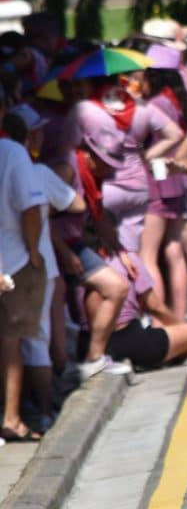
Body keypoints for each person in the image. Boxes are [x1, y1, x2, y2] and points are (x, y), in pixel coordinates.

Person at [5, 107, 81, 429]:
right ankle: (43, 412)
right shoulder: (23, 162)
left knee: (14, 341)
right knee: (34, 340)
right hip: (24, 264)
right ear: (31, 136)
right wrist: (35, 252)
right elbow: (65, 204)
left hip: (22, 264)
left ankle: (22, 412)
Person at [48, 128, 135, 379]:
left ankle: (94, 356)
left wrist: (121, 251)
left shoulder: (91, 177)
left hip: (74, 244)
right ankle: (65, 367)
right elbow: (41, 215)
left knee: (115, 288)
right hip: (56, 246)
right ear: (91, 156)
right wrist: (65, 253)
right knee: (57, 303)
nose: (110, 171)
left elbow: (99, 217)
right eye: (107, 164)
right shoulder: (66, 169)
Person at [68, 67, 182, 255]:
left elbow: (69, 145)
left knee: (103, 251)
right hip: (137, 186)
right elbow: (175, 134)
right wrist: (145, 156)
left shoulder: (87, 108)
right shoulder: (140, 106)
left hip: (104, 186)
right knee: (132, 253)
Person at [140, 46, 187, 321]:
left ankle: (160, 321)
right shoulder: (177, 100)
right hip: (177, 180)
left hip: (158, 181)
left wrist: (144, 156)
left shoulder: (154, 104)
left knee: (148, 254)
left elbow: (169, 136)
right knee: (173, 249)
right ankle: (179, 316)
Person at [0, 117, 47, 442]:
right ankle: (12, 418)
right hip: (13, 262)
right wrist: (33, 252)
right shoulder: (12, 152)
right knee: (10, 341)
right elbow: (31, 208)